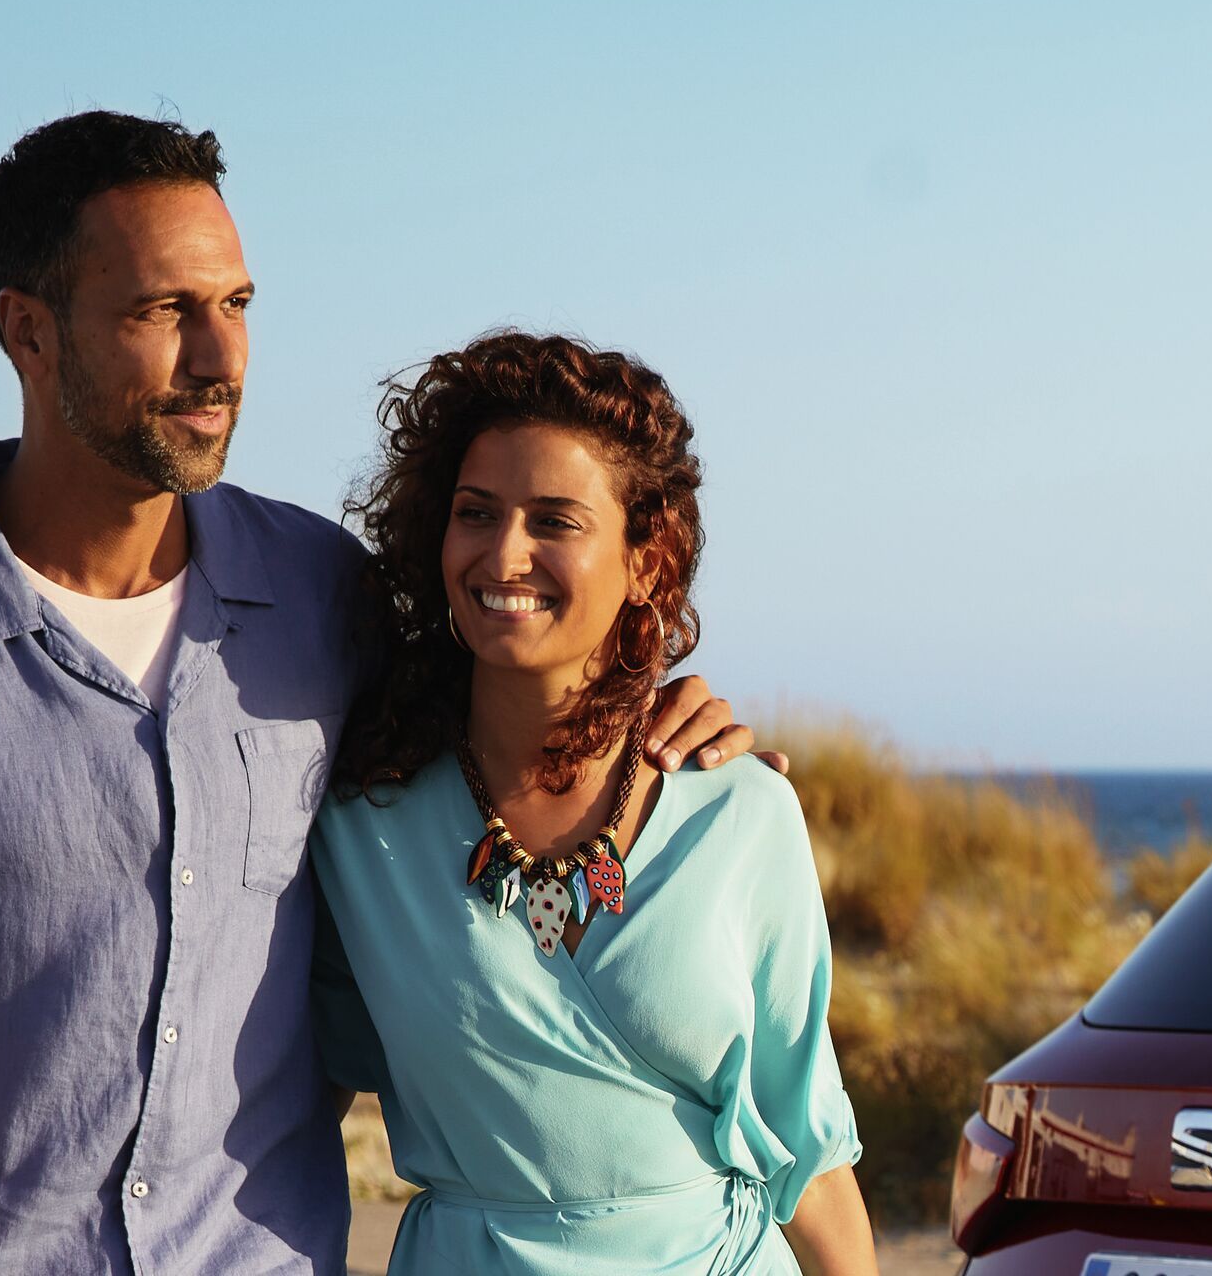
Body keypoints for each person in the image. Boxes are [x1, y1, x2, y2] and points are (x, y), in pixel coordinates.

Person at [0, 111, 759, 1276]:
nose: (219, 359)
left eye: (234, 305)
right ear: (27, 331)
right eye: (161, 312)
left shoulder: (327, 602)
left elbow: (521, 725)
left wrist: (660, 721)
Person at [311, 332, 876, 1275]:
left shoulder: (741, 814)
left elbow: (807, 1156)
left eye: (555, 521)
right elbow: (289, 1114)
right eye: (475, 512)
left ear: (646, 561)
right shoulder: (361, 825)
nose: (504, 553)